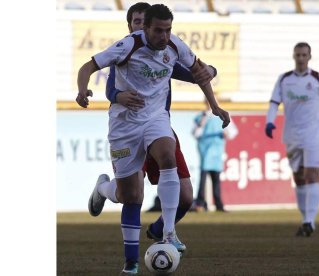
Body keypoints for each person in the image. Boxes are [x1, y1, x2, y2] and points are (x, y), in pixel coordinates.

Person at [76, 4, 230, 275]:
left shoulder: (174, 45)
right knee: (130, 195)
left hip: (156, 118)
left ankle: (168, 232)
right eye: (158, 30)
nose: (164, 35)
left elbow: (198, 72)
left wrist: (214, 106)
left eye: (168, 29)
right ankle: (104, 192)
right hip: (124, 127)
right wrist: (82, 91)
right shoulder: (128, 46)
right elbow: (89, 66)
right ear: (144, 28)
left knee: (167, 154)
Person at [264, 42, 319, 237]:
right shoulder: (284, 79)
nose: (301, 58)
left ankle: (309, 220)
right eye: (298, 55)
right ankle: (306, 220)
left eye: (304, 55)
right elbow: (274, 103)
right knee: (299, 178)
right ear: (293, 56)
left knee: (312, 174)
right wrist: (269, 122)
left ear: (309, 57)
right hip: (292, 135)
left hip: (314, 134)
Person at [192, 99, 238, 212]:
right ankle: (200, 204)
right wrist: (202, 122)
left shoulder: (222, 116)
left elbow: (233, 132)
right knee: (203, 179)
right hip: (205, 151)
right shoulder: (200, 117)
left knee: (216, 180)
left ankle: (219, 205)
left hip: (217, 152)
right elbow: (195, 133)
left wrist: (227, 134)